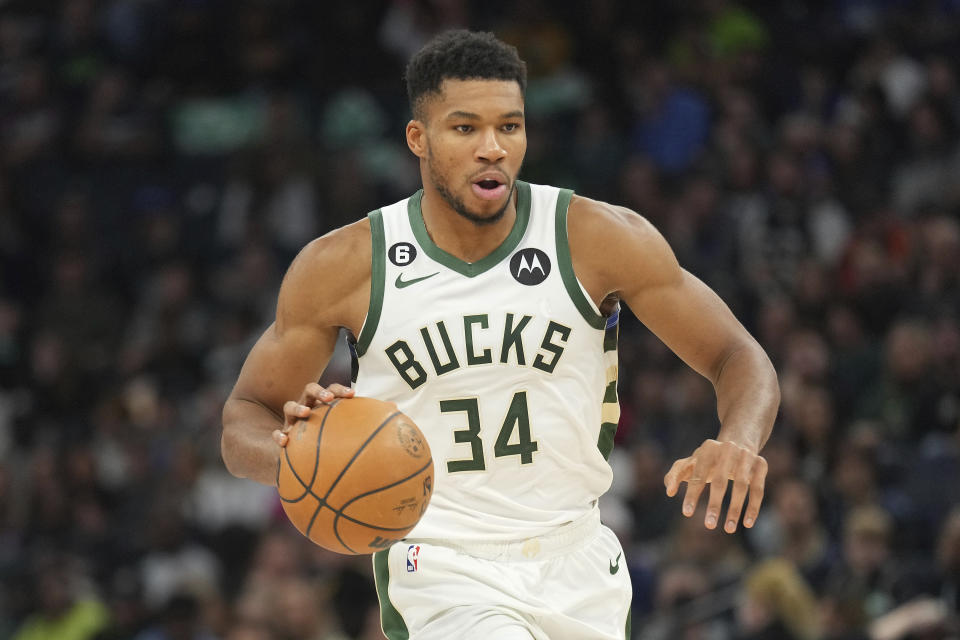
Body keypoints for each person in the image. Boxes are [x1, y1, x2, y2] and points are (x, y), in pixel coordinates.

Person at [221, 29, 779, 640]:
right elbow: (243, 418)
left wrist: (740, 438)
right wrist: (296, 457)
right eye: (465, 129)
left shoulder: (595, 238)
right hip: (441, 566)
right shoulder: (345, 265)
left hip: (579, 560)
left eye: (509, 127)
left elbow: (737, 355)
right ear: (419, 139)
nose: (492, 148)